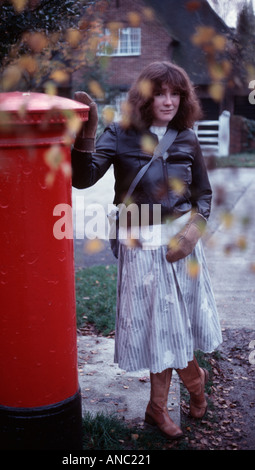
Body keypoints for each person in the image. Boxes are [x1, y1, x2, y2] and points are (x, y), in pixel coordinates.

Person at [71, 61, 222, 440]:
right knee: (163, 328)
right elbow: (82, 178)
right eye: (160, 94)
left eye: (176, 94)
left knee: (172, 327)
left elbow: (203, 195)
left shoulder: (186, 137)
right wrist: (86, 132)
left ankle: (157, 407)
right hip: (141, 247)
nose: (169, 101)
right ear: (144, 97)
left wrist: (194, 230)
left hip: (181, 248)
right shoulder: (119, 134)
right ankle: (194, 382)